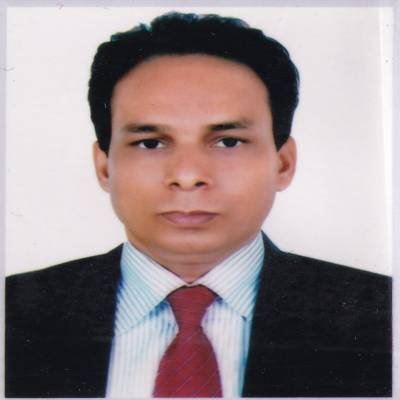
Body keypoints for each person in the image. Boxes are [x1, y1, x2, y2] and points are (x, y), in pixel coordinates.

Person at [5, 12, 391, 398]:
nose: (188, 175)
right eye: (150, 143)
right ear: (104, 167)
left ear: (283, 164)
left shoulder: (383, 315)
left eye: (227, 141)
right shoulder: (14, 314)